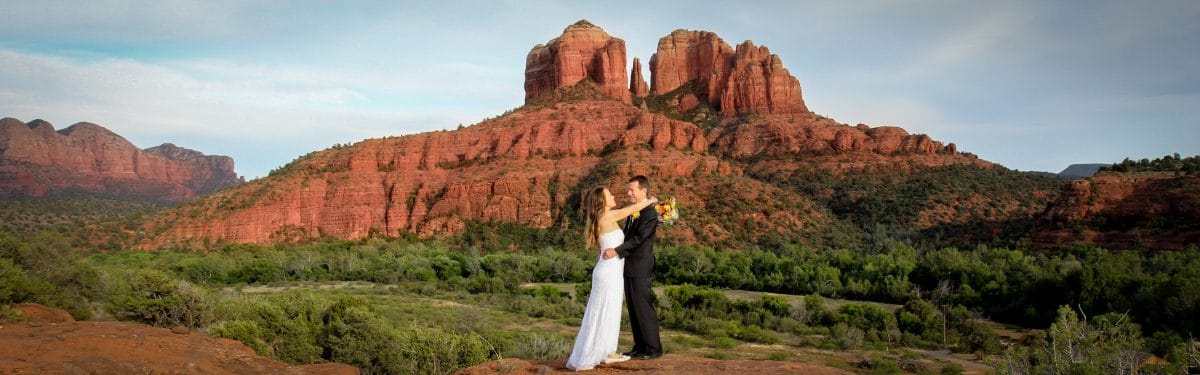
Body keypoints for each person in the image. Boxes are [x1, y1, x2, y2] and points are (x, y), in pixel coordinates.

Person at [565, 186, 658, 371]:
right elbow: (631, 210)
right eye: (610, 195)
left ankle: (605, 351)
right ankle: (604, 352)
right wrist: (651, 201)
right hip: (609, 273)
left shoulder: (603, 217)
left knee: (605, 311)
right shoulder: (607, 216)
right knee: (607, 310)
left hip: (608, 270)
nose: (614, 196)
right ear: (602, 201)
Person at [602, 175, 663, 360]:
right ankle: (639, 346)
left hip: (640, 267)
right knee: (633, 307)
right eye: (628, 190)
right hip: (628, 267)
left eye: (632, 190)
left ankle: (653, 349)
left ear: (643, 191)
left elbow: (639, 239)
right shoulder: (635, 211)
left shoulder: (650, 213)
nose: (628, 193)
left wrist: (617, 251)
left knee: (643, 307)